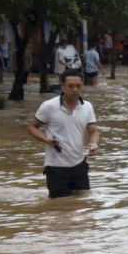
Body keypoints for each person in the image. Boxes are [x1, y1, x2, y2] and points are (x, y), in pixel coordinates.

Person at [27, 69, 100, 198]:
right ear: (62, 86)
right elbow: (32, 127)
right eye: (70, 86)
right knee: (58, 206)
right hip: (56, 167)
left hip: (79, 165)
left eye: (78, 86)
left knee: (83, 204)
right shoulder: (49, 106)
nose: (75, 90)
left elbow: (93, 131)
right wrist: (46, 140)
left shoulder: (87, 106)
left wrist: (93, 143)